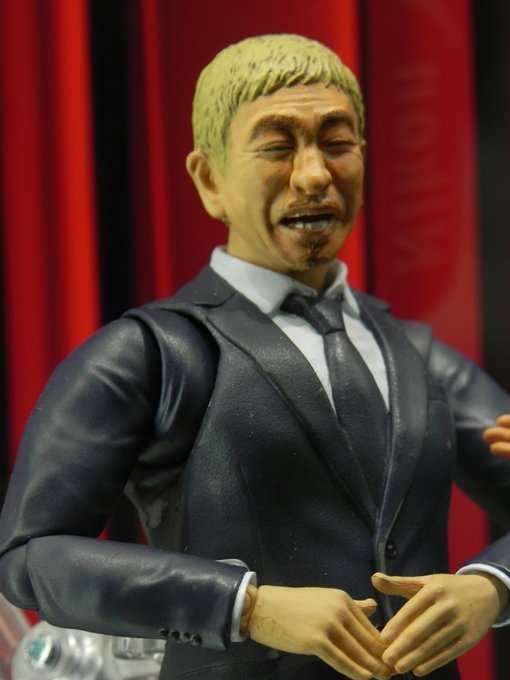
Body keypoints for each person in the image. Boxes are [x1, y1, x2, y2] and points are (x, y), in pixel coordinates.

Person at [1, 33, 510, 680]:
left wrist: (492, 585)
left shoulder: (417, 357)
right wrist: (246, 606)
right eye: (277, 147)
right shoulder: (155, 355)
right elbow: (32, 557)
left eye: (336, 142)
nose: (314, 175)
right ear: (210, 179)